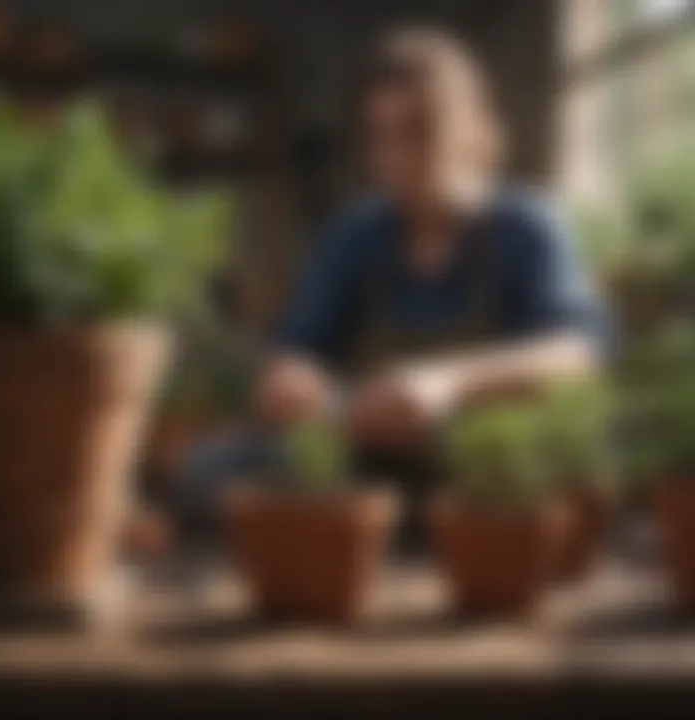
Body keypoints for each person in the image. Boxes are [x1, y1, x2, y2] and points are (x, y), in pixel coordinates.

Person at [175, 26, 608, 527]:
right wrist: (293, 382)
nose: (400, 158)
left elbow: (578, 354)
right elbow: (294, 349)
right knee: (204, 472)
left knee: (574, 479)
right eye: (382, 138)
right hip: (368, 465)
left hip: (484, 473)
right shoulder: (356, 236)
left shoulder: (526, 227)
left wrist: (447, 383)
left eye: (422, 131)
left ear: (475, 125)